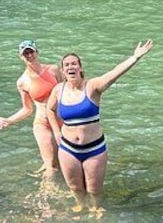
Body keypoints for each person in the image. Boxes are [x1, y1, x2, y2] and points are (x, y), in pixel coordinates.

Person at [46, 39, 153, 214]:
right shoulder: (58, 90)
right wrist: (56, 132)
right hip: (67, 148)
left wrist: (135, 57)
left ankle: (95, 209)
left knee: (94, 189)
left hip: (94, 149)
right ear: (63, 70)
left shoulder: (93, 86)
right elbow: (50, 110)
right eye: (66, 65)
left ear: (80, 68)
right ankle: (80, 206)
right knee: (75, 187)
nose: (70, 67)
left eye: (74, 63)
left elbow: (113, 73)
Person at [0, 40, 64, 177]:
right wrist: (9, 120)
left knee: (66, 161)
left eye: (30, 51)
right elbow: (27, 109)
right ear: (21, 57)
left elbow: (66, 92)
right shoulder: (22, 82)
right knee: (53, 166)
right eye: (25, 53)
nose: (29, 55)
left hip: (62, 121)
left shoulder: (53, 70)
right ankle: (46, 194)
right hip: (43, 124)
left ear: (36, 52)